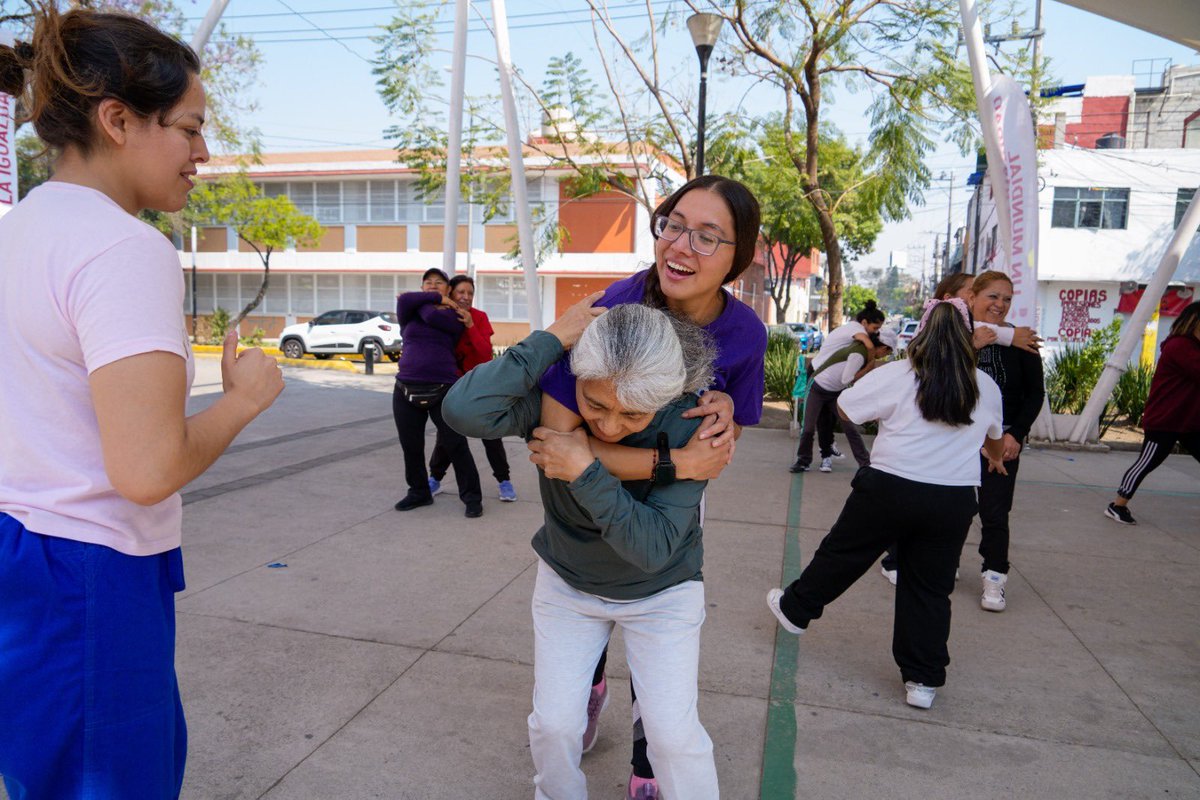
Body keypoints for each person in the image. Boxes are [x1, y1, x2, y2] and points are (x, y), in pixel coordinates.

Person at [0, 10, 284, 798]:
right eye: (189, 128)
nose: (202, 153)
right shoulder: (124, 248)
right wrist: (244, 400)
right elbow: (149, 468)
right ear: (117, 120)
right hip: (89, 574)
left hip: (21, 555)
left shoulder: (20, 230)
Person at [537, 174, 765, 799]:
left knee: (659, 653)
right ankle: (587, 683)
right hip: (581, 521)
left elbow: (723, 441)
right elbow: (560, 440)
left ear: (737, 257)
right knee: (565, 683)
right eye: (674, 224)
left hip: (668, 509)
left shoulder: (742, 335)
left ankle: (646, 763)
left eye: (708, 237)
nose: (681, 246)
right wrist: (673, 462)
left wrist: (713, 430)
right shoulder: (616, 307)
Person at [443, 302, 721, 800]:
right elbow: (463, 409)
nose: (610, 426)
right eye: (596, 405)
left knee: (673, 739)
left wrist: (585, 467)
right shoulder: (554, 402)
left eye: (633, 414)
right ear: (574, 381)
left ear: (666, 397)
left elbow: (651, 548)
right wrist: (551, 337)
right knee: (553, 726)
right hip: (568, 584)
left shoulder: (692, 425)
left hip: (662, 595)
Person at [767, 300, 1006, 710]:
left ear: (921, 335)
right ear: (968, 338)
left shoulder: (899, 374)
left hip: (890, 487)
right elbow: (995, 438)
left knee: (844, 553)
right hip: (952, 500)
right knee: (930, 588)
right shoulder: (984, 385)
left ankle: (795, 608)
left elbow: (844, 407)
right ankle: (922, 681)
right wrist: (996, 457)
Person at [966, 271, 1045, 612]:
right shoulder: (958, 338)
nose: (1000, 305)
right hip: (957, 438)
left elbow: (1034, 395)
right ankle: (944, 565)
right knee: (951, 506)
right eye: (992, 296)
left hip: (1004, 439)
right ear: (972, 298)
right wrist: (973, 345)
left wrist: (1016, 434)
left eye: (1007, 299)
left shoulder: (1023, 342)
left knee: (995, 513)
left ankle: (994, 577)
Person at [393, 268, 484, 517]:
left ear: (448, 289)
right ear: (422, 287)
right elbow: (404, 301)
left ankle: (472, 498)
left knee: (456, 445)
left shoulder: (455, 317)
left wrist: (430, 303)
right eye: (428, 283)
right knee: (411, 446)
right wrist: (433, 300)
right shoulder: (409, 311)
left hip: (443, 388)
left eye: (439, 283)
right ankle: (419, 492)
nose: (433, 286)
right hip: (405, 387)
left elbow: (430, 317)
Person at [1105, 301, 1200, 525]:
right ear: (1194, 323)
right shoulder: (1180, 346)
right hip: (1165, 420)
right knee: (1146, 463)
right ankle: (1117, 505)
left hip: (1189, 422)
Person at [427, 275, 518, 503]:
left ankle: (504, 481)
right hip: (453, 385)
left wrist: (470, 325)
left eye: (470, 293)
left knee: (491, 434)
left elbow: (484, 352)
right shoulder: (443, 318)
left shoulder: (479, 317)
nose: (466, 297)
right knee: (448, 436)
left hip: (481, 385)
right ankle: (435, 478)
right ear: (451, 294)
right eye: (461, 292)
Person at [789, 301, 886, 473]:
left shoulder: (855, 338)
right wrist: (870, 362)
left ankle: (864, 464)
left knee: (848, 426)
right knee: (809, 427)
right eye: (875, 327)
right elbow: (869, 347)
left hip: (834, 390)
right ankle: (803, 461)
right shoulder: (855, 331)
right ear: (864, 323)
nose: (876, 332)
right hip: (818, 382)